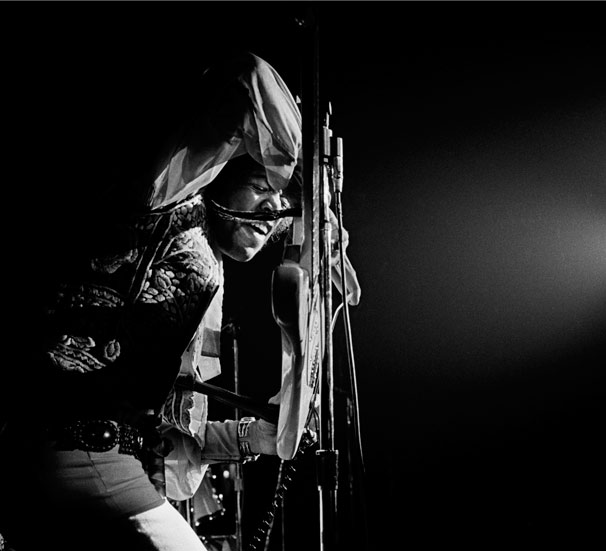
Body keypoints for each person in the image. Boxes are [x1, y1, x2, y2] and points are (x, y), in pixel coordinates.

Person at [0, 50, 356, 551]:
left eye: (281, 211)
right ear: (222, 174)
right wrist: (301, 172)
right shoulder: (162, 200)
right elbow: (245, 79)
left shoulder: (208, 277)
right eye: (262, 189)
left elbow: (170, 430)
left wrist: (256, 434)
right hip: (78, 453)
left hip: (107, 461)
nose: (272, 213)